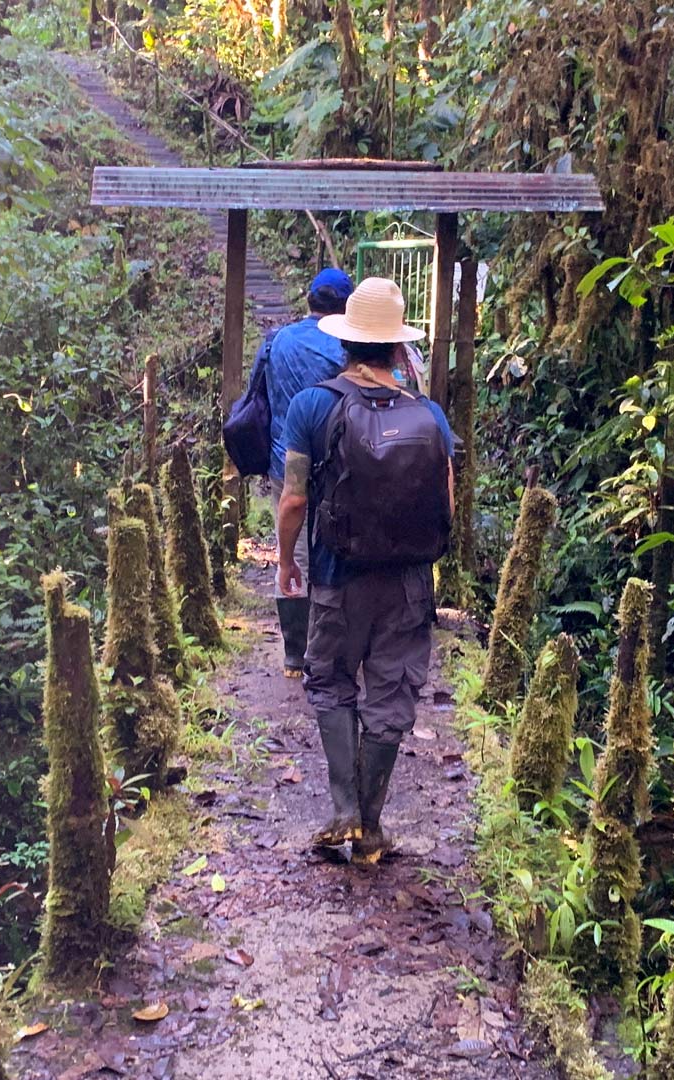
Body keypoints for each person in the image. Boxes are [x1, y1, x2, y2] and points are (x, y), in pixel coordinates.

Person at [276, 277, 455, 864]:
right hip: (407, 583)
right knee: (390, 693)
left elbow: (295, 497)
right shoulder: (428, 415)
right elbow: (447, 504)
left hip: (336, 575)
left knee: (330, 681)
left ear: (346, 343)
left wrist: (285, 563)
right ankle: (372, 828)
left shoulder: (311, 406)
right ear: (398, 350)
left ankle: (344, 810)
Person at [260, 268, 354, 678]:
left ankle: (294, 653)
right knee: (334, 544)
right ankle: (331, 643)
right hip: (340, 462)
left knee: (292, 550)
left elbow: (258, 392)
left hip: (287, 457)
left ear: (310, 301)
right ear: (346, 307)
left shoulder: (279, 340)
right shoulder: (349, 346)